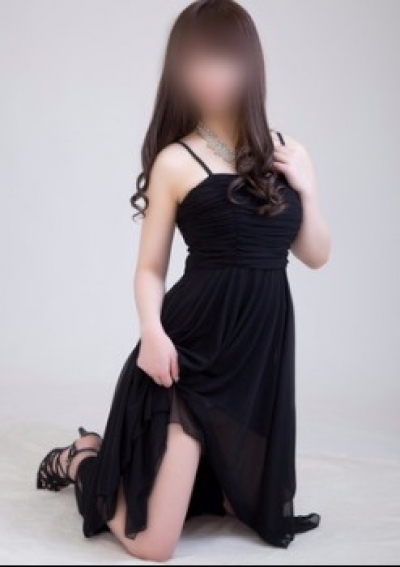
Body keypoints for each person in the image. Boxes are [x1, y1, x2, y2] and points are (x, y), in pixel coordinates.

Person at [36, 0, 331, 561]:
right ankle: (82, 459)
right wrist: (153, 332)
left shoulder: (287, 151)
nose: (209, 75)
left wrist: (308, 190)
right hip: (188, 355)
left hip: (255, 358)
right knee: (154, 544)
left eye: (222, 60)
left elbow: (314, 255)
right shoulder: (176, 161)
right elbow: (150, 268)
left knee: (243, 508)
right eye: (195, 62)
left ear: (249, 63)